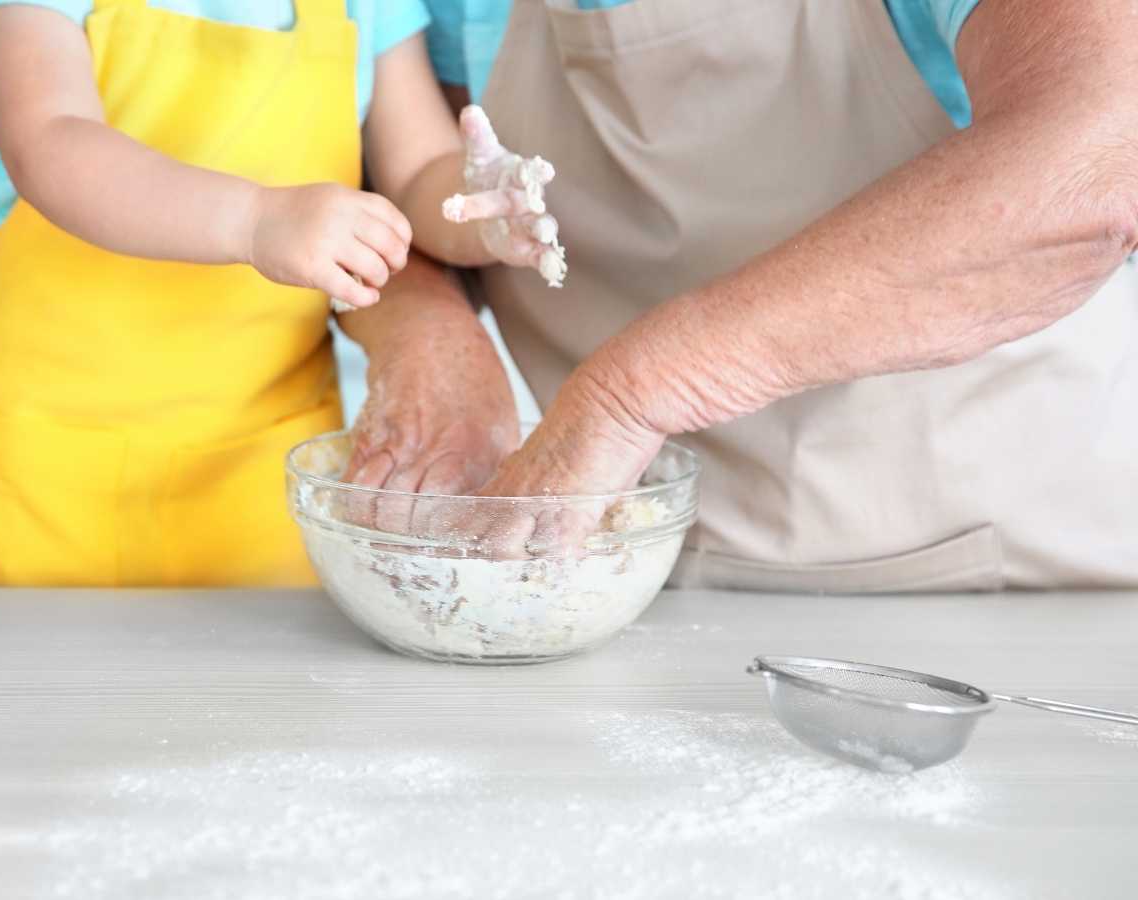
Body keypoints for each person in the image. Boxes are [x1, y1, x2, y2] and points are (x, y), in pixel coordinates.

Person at [417, 0, 1138, 590]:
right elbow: (416, 196)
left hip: (1022, 578)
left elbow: (1100, 156)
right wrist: (434, 343)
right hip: (626, 581)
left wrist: (632, 392)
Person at [0, 0, 559, 586]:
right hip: (50, 456)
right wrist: (255, 220)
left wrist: (482, 210)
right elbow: (48, 139)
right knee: (36, 685)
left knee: (258, 687)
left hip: (260, 456)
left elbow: (420, 169)